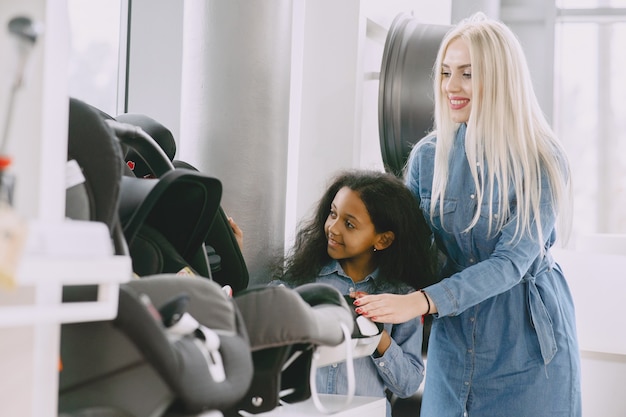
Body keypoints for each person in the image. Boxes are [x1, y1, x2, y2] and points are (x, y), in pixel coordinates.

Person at [353, 12, 582, 417]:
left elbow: (511, 262)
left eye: (467, 74)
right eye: (444, 73)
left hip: (525, 342)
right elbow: (410, 250)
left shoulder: (541, 160)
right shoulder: (427, 157)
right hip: (452, 340)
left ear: (499, 79)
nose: (450, 87)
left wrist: (422, 302)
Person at [271, 169, 438, 417]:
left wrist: (377, 337)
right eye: (332, 214)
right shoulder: (302, 281)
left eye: (349, 224)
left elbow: (408, 385)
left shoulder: (402, 299)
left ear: (383, 240)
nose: (333, 228)